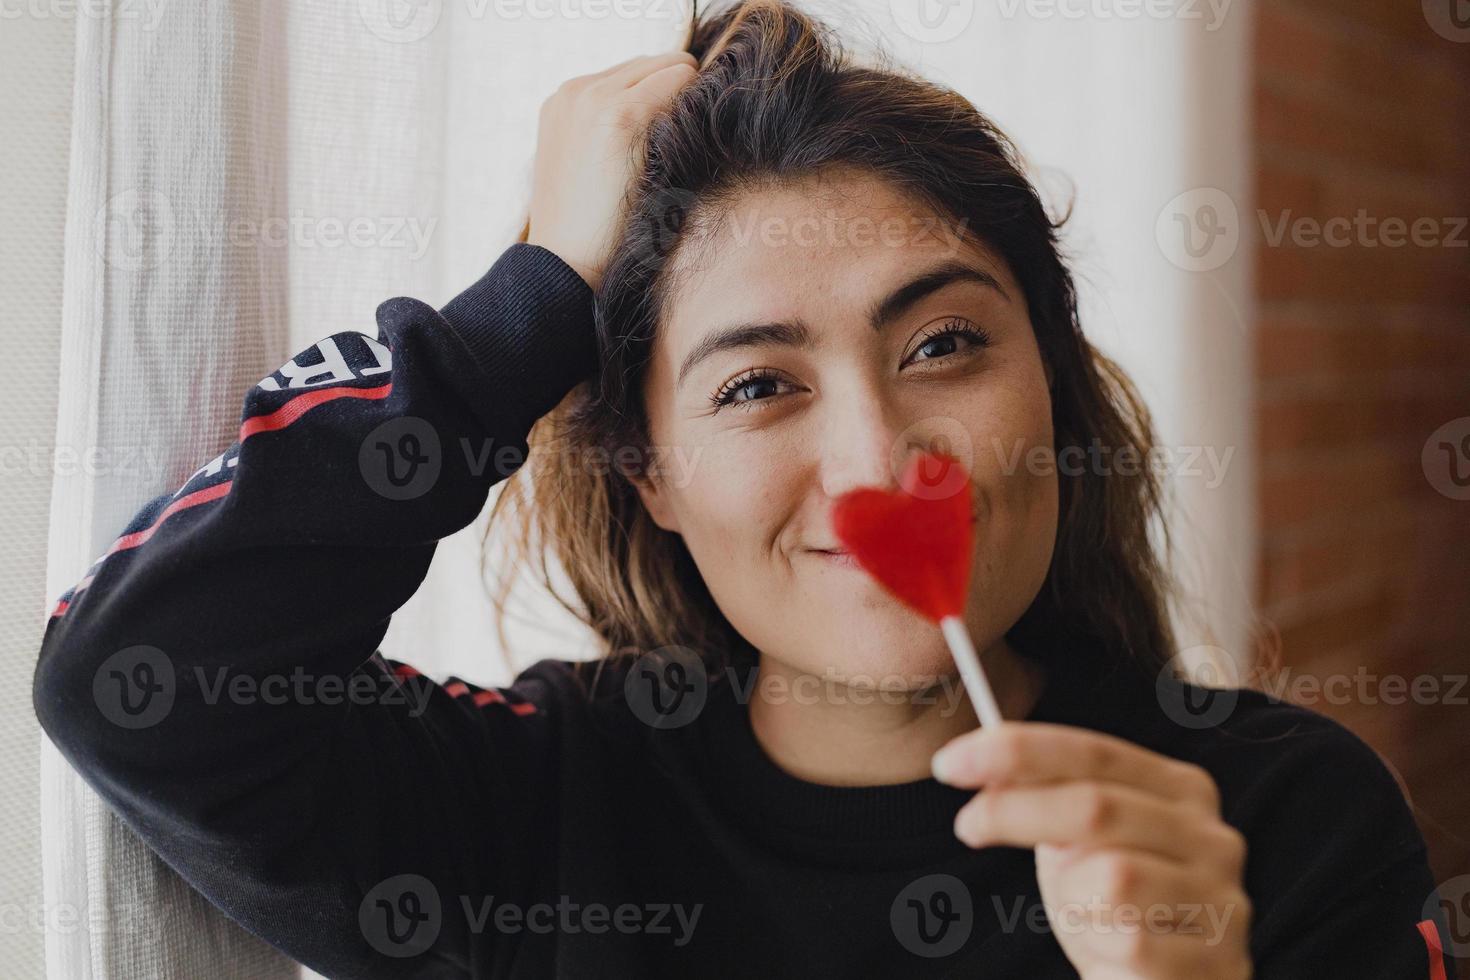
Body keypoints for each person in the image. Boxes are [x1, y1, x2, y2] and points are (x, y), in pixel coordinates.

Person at [32, 1, 1453, 977]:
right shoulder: (536, 810)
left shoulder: (1281, 820)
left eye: (944, 344)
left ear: (1055, 385)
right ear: (643, 470)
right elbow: (140, 677)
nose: (878, 458)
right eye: (758, 384)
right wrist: (521, 314)